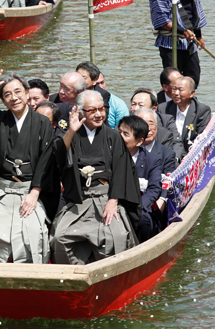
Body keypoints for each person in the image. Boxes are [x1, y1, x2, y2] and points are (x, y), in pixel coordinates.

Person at [0, 65, 59, 264]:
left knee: (33, 232)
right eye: (7, 95)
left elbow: (46, 160)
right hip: (1, 190)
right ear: (2, 100)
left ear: (26, 93)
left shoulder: (42, 122)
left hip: (30, 191)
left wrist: (34, 194)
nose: (14, 97)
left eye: (18, 92)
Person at [50, 90, 142, 264]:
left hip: (106, 197)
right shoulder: (70, 133)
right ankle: (74, 271)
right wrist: (71, 131)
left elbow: (122, 170)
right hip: (78, 199)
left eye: (101, 109)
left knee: (117, 236)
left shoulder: (113, 136)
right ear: (80, 111)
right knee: (59, 238)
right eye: (92, 110)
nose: (99, 114)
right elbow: (59, 157)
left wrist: (113, 201)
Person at [149, 0, 207, 87]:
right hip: (171, 43)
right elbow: (162, 21)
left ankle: (190, 105)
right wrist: (182, 31)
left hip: (190, 41)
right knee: (173, 81)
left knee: (193, 79)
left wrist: (199, 35)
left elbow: (196, 13)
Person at [118, 115, 162, 243]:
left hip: (139, 205)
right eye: (119, 132)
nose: (120, 137)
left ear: (139, 141)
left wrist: (137, 206)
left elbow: (154, 189)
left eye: (125, 134)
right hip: (114, 201)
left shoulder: (152, 160)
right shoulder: (109, 155)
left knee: (142, 218)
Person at [158, 76, 211, 153]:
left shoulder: (202, 111)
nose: (176, 93)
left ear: (192, 93)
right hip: (169, 153)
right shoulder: (163, 108)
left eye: (180, 90)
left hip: (191, 154)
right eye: (174, 89)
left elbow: (202, 140)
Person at [130, 87, 184, 160]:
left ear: (153, 108)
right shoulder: (124, 126)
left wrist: (174, 159)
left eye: (141, 105)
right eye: (133, 104)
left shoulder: (166, 121)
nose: (135, 109)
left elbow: (176, 143)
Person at [76, 63, 129, 128]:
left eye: (83, 78)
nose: (79, 81)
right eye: (77, 77)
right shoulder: (72, 90)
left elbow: (102, 118)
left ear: (94, 80)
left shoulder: (103, 95)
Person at [134, 108, 176, 174]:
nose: (148, 129)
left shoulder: (167, 154)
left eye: (151, 124)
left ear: (156, 126)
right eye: (143, 124)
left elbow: (168, 181)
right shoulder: (126, 149)